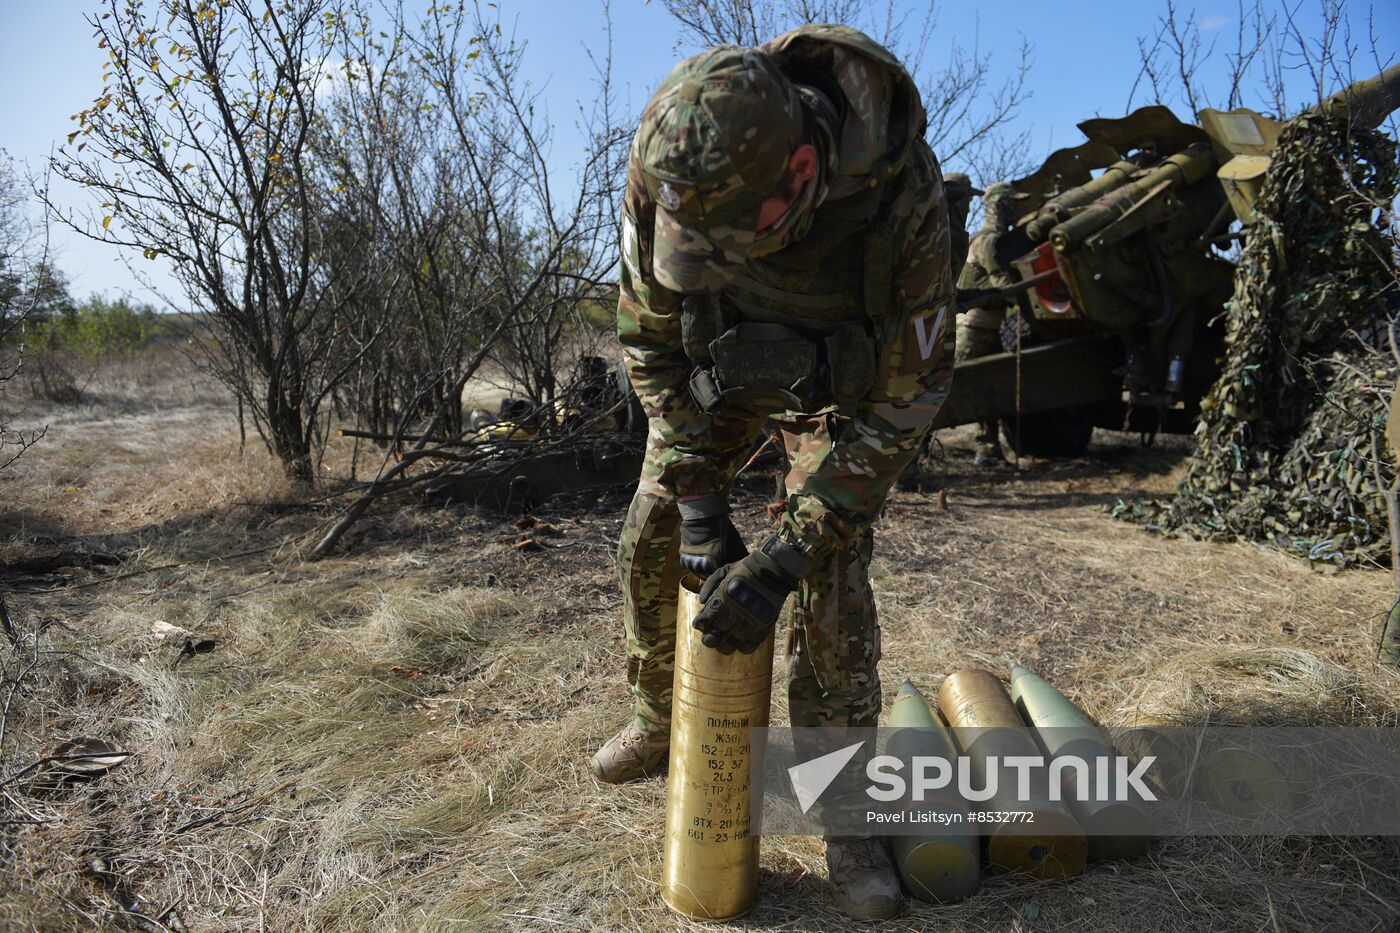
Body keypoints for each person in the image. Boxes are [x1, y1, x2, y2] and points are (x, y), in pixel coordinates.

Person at [591, 24, 954, 920]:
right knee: (655, 530)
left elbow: (910, 398)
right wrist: (702, 496)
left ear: (800, 174)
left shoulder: (901, 198)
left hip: (843, 389)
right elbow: (646, 337)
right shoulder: (671, 157)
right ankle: (661, 720)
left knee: (833, 586)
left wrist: (786, 554)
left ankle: (844, 812)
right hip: (719, 370)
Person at [954, 180, 1029, 465]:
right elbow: (1002, 284)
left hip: (988, 328)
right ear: (999, 206)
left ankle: (987, 450)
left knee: (990, 388)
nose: (1015, 210)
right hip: (973, 330)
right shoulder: (988, 241)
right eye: (1012, 204)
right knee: (956, 390)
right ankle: (912, 458)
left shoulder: (985, 238)